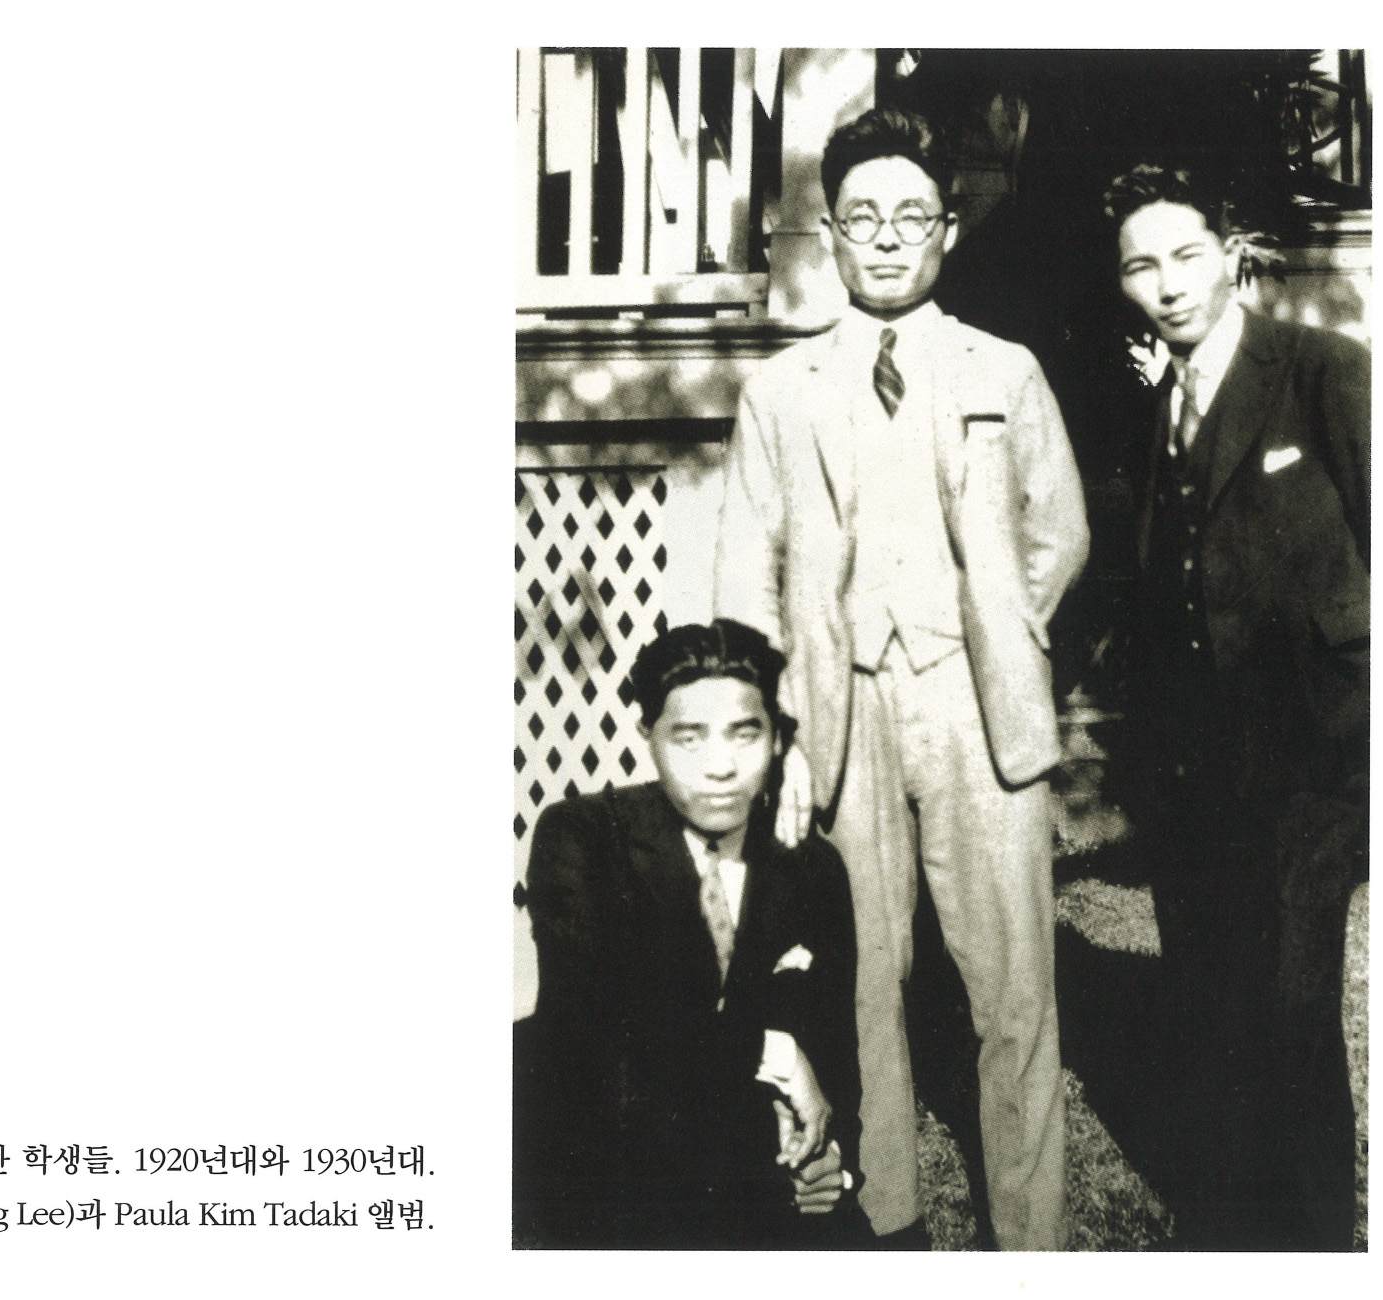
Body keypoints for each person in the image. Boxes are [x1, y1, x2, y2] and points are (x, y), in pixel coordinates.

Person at [714, 107, 1089, 1250]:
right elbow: (748, 566)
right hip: (842, 710)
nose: (886, 238)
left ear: (949, 229)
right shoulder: (781, 390)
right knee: (864, 975)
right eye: (863, 216)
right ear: (829, 231)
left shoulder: (1004, 370)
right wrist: (773, 726)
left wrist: (999, 634)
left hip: (980, 712)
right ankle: (886, 1225)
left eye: (911, 216)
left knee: (1014, 987)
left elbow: (1058, 530)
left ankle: (1030, 1237)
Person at [1104, 163, 1368, 1251]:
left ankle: (1320, 1245)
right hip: (1193, 768)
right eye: (1139, 266)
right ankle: (1233, 1237)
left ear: (1230, 252)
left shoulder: (1321, 370)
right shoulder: (1153, 406)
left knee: (1294, 1008)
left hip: (1312, 758)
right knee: (1211, 1001)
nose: (1166, 284)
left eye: (1184, 255)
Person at [517, 619, 868, 1249]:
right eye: (689, 738)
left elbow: (835, 1056)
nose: (720, 767)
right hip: (614, 1189)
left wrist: (830, 1162)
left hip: (764, 1186)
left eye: (744, 734)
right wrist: (777, 1056)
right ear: (648, 737)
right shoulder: (583, 839)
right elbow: (596, 1040)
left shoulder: (811, 868)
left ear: (777, 740)